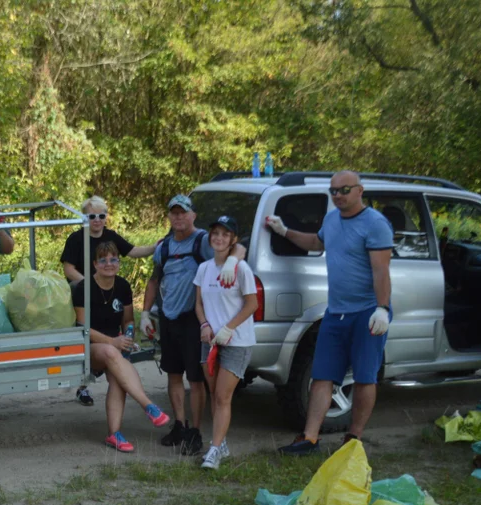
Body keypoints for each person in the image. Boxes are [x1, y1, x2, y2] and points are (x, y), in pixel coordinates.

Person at [269, 171, 393, 454]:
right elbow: (316, 242)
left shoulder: (375, 224)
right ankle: (309, 438)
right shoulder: (331, 219)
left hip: (367, 312)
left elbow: (380, 270)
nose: (338, 195)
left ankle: (354, 439)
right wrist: (284, 231)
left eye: (344, 190)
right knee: (322, 376)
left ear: (359, 190)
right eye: (333, 191)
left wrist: (382, 309)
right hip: (336, 312)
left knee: (364, 377)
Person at [141, 194, 246, 456]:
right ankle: (180, 425)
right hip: (169, 317)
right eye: (173, 213)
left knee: (196, 379)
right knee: (173, 374)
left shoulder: (203, 240)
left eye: (183, 212)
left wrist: (232, 262)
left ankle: (196, 432)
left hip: (194, 320)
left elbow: (237, 247)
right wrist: (145, 313)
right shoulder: (164, 246)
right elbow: (155, 280)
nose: (178, 217)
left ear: (193, 215)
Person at [72, 242, 171, 453]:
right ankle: (148, 406)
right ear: (95, 264)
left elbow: (128, 320)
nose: (109, 264)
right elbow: (83, 327)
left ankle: (114, 434)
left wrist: (127, 335)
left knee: (118, 377)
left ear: (119, 262)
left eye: (114, 259)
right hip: (89, 346)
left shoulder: (124, 286)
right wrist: (113, 342)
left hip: (114, 346)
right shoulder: (83, 288)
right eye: (103, 260)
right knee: (110, 353)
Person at [61, 195, 156, 407]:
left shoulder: (111, 237)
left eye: (101, 215)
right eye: (91, 215)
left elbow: (132, 251)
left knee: (116, 326)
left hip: (107, 292)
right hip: (83, 292)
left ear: (106, 217)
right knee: (84, 329)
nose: (96, 219)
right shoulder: (76, 239)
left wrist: (156, 247)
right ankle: (83, 385)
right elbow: (68, 268)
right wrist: (90, 285)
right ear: (84, 217)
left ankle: (122, 362)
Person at [192, 216, 259, 470]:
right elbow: (198, 303)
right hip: (210, 340)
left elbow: (252, 304)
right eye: (215, 233)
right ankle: (221, 443)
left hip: (236, 341)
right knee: (214, 394)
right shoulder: (204, 268)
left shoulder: (241, 269)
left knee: (222, 396)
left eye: (224, 234)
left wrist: (229, 328)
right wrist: (205, 325)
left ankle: (213, 451)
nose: (218, 238)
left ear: (233, 240)